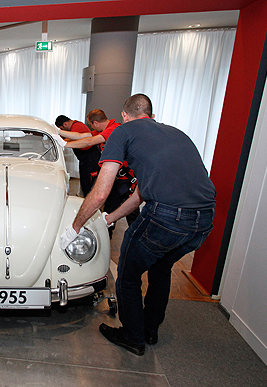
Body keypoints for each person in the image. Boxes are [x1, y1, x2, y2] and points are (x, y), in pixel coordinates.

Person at [60, 94, 216, 356]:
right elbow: (139, 194)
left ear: (124, 116)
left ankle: (132, 336)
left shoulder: (122, 132)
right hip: (204, 219)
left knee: (128, 274)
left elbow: (100, 193)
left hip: (167, 217)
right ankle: (149, 330)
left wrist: (75, 227)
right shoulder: (176, 133)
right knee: (160, 268)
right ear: (152, 117)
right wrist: (110, 218)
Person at [57, 109, 139, 237]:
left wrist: (65, 144)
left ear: (95, 123)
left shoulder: (114, 129)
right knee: (111, 208)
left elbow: (90, 142)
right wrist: (59, 133)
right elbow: (82, 136)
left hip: (126, 178)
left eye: (91, 124)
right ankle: (107, 236)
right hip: (118, 177)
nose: (90, 127)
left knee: (130, 211)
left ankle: (136, 238)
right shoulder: (103, 130)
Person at [55, 115, 101, 196]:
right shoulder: (74, 127)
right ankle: (84, 196)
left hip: (91, 158)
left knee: (89, 183)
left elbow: (75, 137)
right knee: (84, 181)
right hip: (84, 159)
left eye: (62, 129)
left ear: (65, 124)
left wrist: (62, 141)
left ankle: (89, 200)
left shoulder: (77, 127)